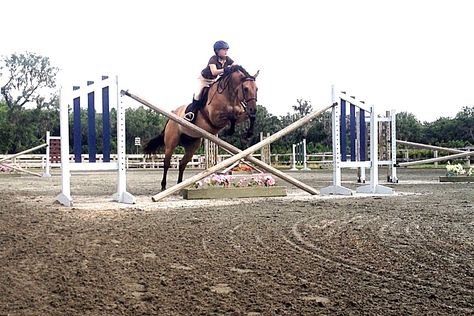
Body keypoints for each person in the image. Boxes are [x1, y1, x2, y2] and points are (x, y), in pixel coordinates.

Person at [184, 40, 235, 121]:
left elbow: (235, 66)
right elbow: (214, 72)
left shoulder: (227, 59)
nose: (226, 51)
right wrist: (225, 70)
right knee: (198, 95)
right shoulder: (213, 59)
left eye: (226, 50)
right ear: (217, 51)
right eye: (224, 49)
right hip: (203, 80)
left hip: (214, 80)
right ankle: (191, 113)